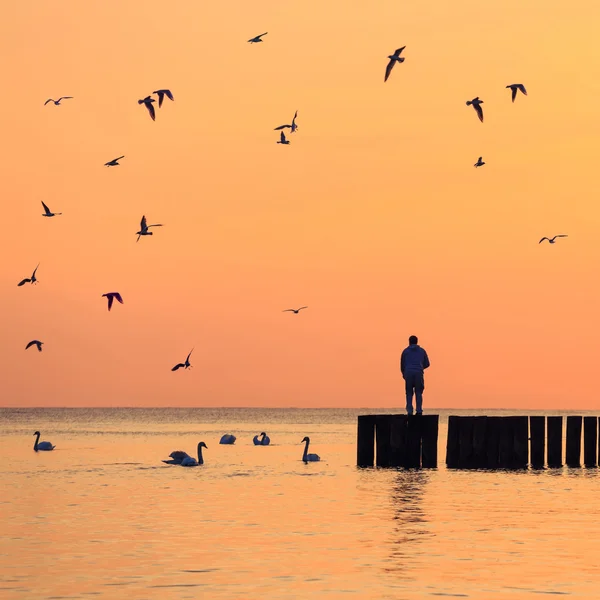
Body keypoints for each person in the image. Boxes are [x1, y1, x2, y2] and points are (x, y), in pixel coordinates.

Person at [400, 335, 430, 415]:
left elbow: (402, 364)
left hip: (408, 372)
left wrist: (404, 373)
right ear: (417, 341)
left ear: (409, 342)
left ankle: (409, 411)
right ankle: (419, 410)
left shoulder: (405, 351)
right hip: (418, 372)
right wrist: (420, 367)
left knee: (409, 392)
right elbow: (427, 363)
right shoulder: (422, 351)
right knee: (418, 392)